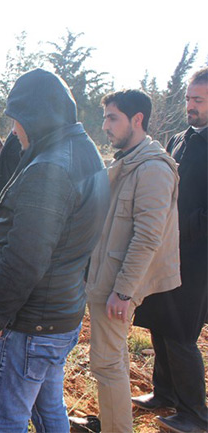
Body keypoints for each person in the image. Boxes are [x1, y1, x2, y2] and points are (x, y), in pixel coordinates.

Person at [0, 68, 110, 432]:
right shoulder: (85, 151)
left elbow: (26, 260)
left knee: (5, 418)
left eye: (17, 122)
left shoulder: (50, 168)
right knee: (49, 409)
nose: (15, 132)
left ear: (35, 118)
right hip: (59, 313)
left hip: (27, 322)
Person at [81, 90, 180, 433]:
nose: (105, 125)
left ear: (137, 120)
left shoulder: (153, 169)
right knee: (112, 361)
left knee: (107, 363)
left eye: (112, 118)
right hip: (106, 275)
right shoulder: (128, 160)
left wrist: (123, 292)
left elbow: (148, 237)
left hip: (115, 282)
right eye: (105, 117)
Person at [133, 67, 208, 433]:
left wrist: (184, 226)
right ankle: (163, 393)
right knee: (159, 323)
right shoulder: (180, 138)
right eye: (189, 98)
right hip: (166, 251)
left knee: (180, 333)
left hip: (196, 258)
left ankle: (195, 414)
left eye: (198, 100)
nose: (190, 105)